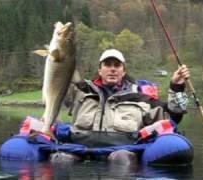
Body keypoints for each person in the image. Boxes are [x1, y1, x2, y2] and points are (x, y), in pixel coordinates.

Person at [51, 49, 190, 165]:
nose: (112, 69)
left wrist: (177, 87)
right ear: (100, 70)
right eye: (107, 65)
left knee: (121, 160)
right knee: (60, 160)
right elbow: (57, 84)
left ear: (123, 72)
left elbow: (173, 117)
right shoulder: (80, 91)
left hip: (121, 151)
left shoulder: (140, 97)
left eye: (117, 65)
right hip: (79, 149)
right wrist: (60, 58)